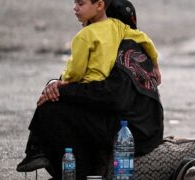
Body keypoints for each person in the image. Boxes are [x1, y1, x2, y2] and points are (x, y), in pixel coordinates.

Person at [16, 0, 163, 179]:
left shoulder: (122, 49)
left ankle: (75, 171)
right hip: (147, 128)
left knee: (52, 108)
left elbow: (111, 96)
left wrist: (60, 90)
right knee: (60, 97)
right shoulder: (134, 43)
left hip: (134, 134)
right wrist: (58, 85)